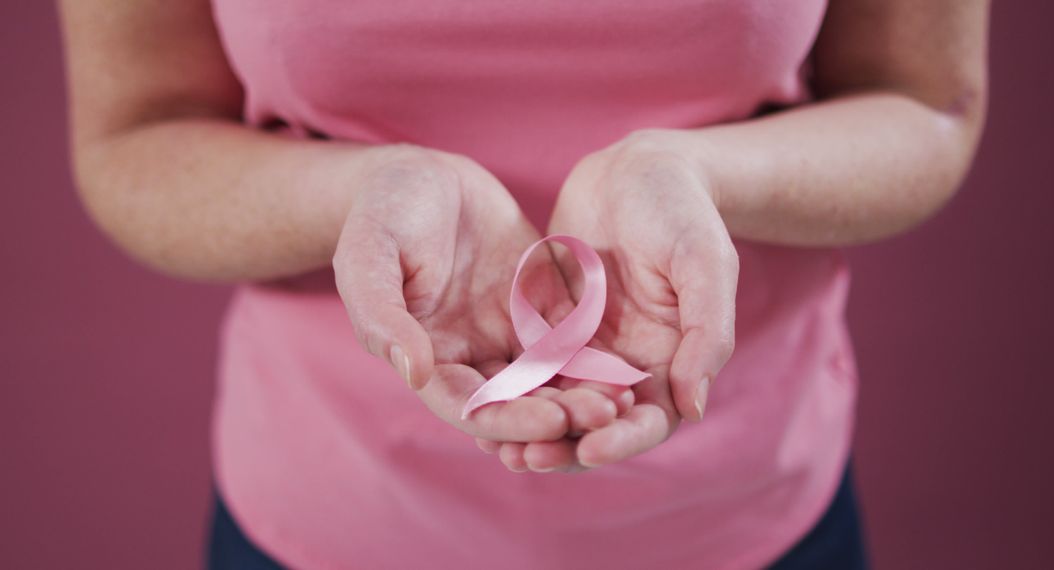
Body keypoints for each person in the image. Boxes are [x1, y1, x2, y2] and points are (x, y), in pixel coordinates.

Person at [57, 0, 988, 568]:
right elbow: (137, 135)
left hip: (753, 514)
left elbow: (926, 104)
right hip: (325, 517)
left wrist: (696, 171)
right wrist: (361, 191)